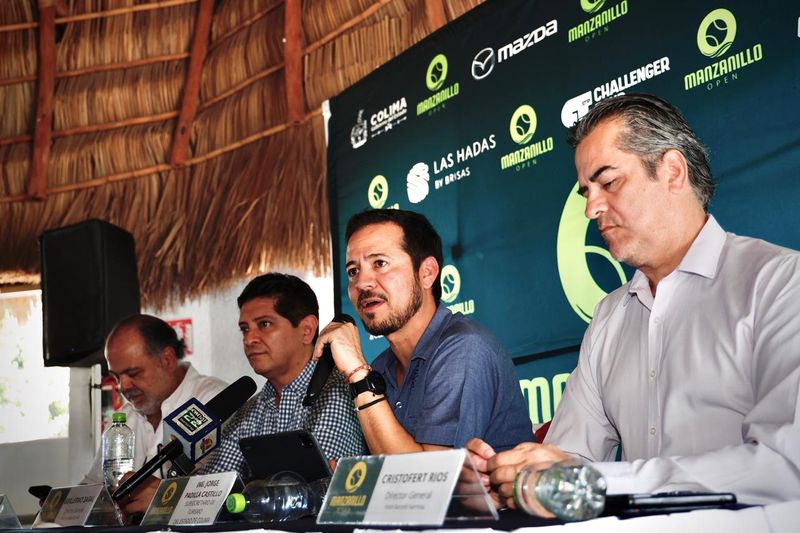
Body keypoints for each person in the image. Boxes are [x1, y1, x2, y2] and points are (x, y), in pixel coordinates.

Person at [469, 93, 800, 512]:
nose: (591, 208)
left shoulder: (779, 283)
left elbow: (785, 466)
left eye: (608, 183)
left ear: (673, 171)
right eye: (586, 191)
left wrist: (602, 482)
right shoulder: (609, 317)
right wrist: (517, 477)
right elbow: (572, 459)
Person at [315, 209, 532, 454]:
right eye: (353, 271)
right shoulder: (381, 367)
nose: (362, 283)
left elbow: (427, 484)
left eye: (380, 263)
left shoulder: (464, 348)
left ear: (427, 272)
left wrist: (358, 375)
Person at [198, 273, 366, 477]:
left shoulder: (338, 394)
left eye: (264, 324)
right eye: (244, 329)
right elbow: (213, 488)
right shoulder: (250, 409)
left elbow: (306, 491)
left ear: (307, 330)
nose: (249, 339)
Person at [81, 314, 227, 485]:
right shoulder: (124, 418)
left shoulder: (215, 400)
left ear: (167, 360)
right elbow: (92, 486)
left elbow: (220, 490)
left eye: (134, 373)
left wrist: (159, 495)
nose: (123, 386)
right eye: (115, 377)